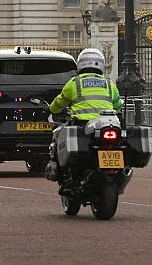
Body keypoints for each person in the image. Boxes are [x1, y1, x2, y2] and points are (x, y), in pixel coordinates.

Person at [46, 48, 123, 184]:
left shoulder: (74, 83)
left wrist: (50, 109)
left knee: (58, 137)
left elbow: (59, 102)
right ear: (101, 64)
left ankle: (63, 173)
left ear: (80, 64)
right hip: (107, 124)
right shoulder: (109, 84)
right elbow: (118, 106)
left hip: (82, 124)